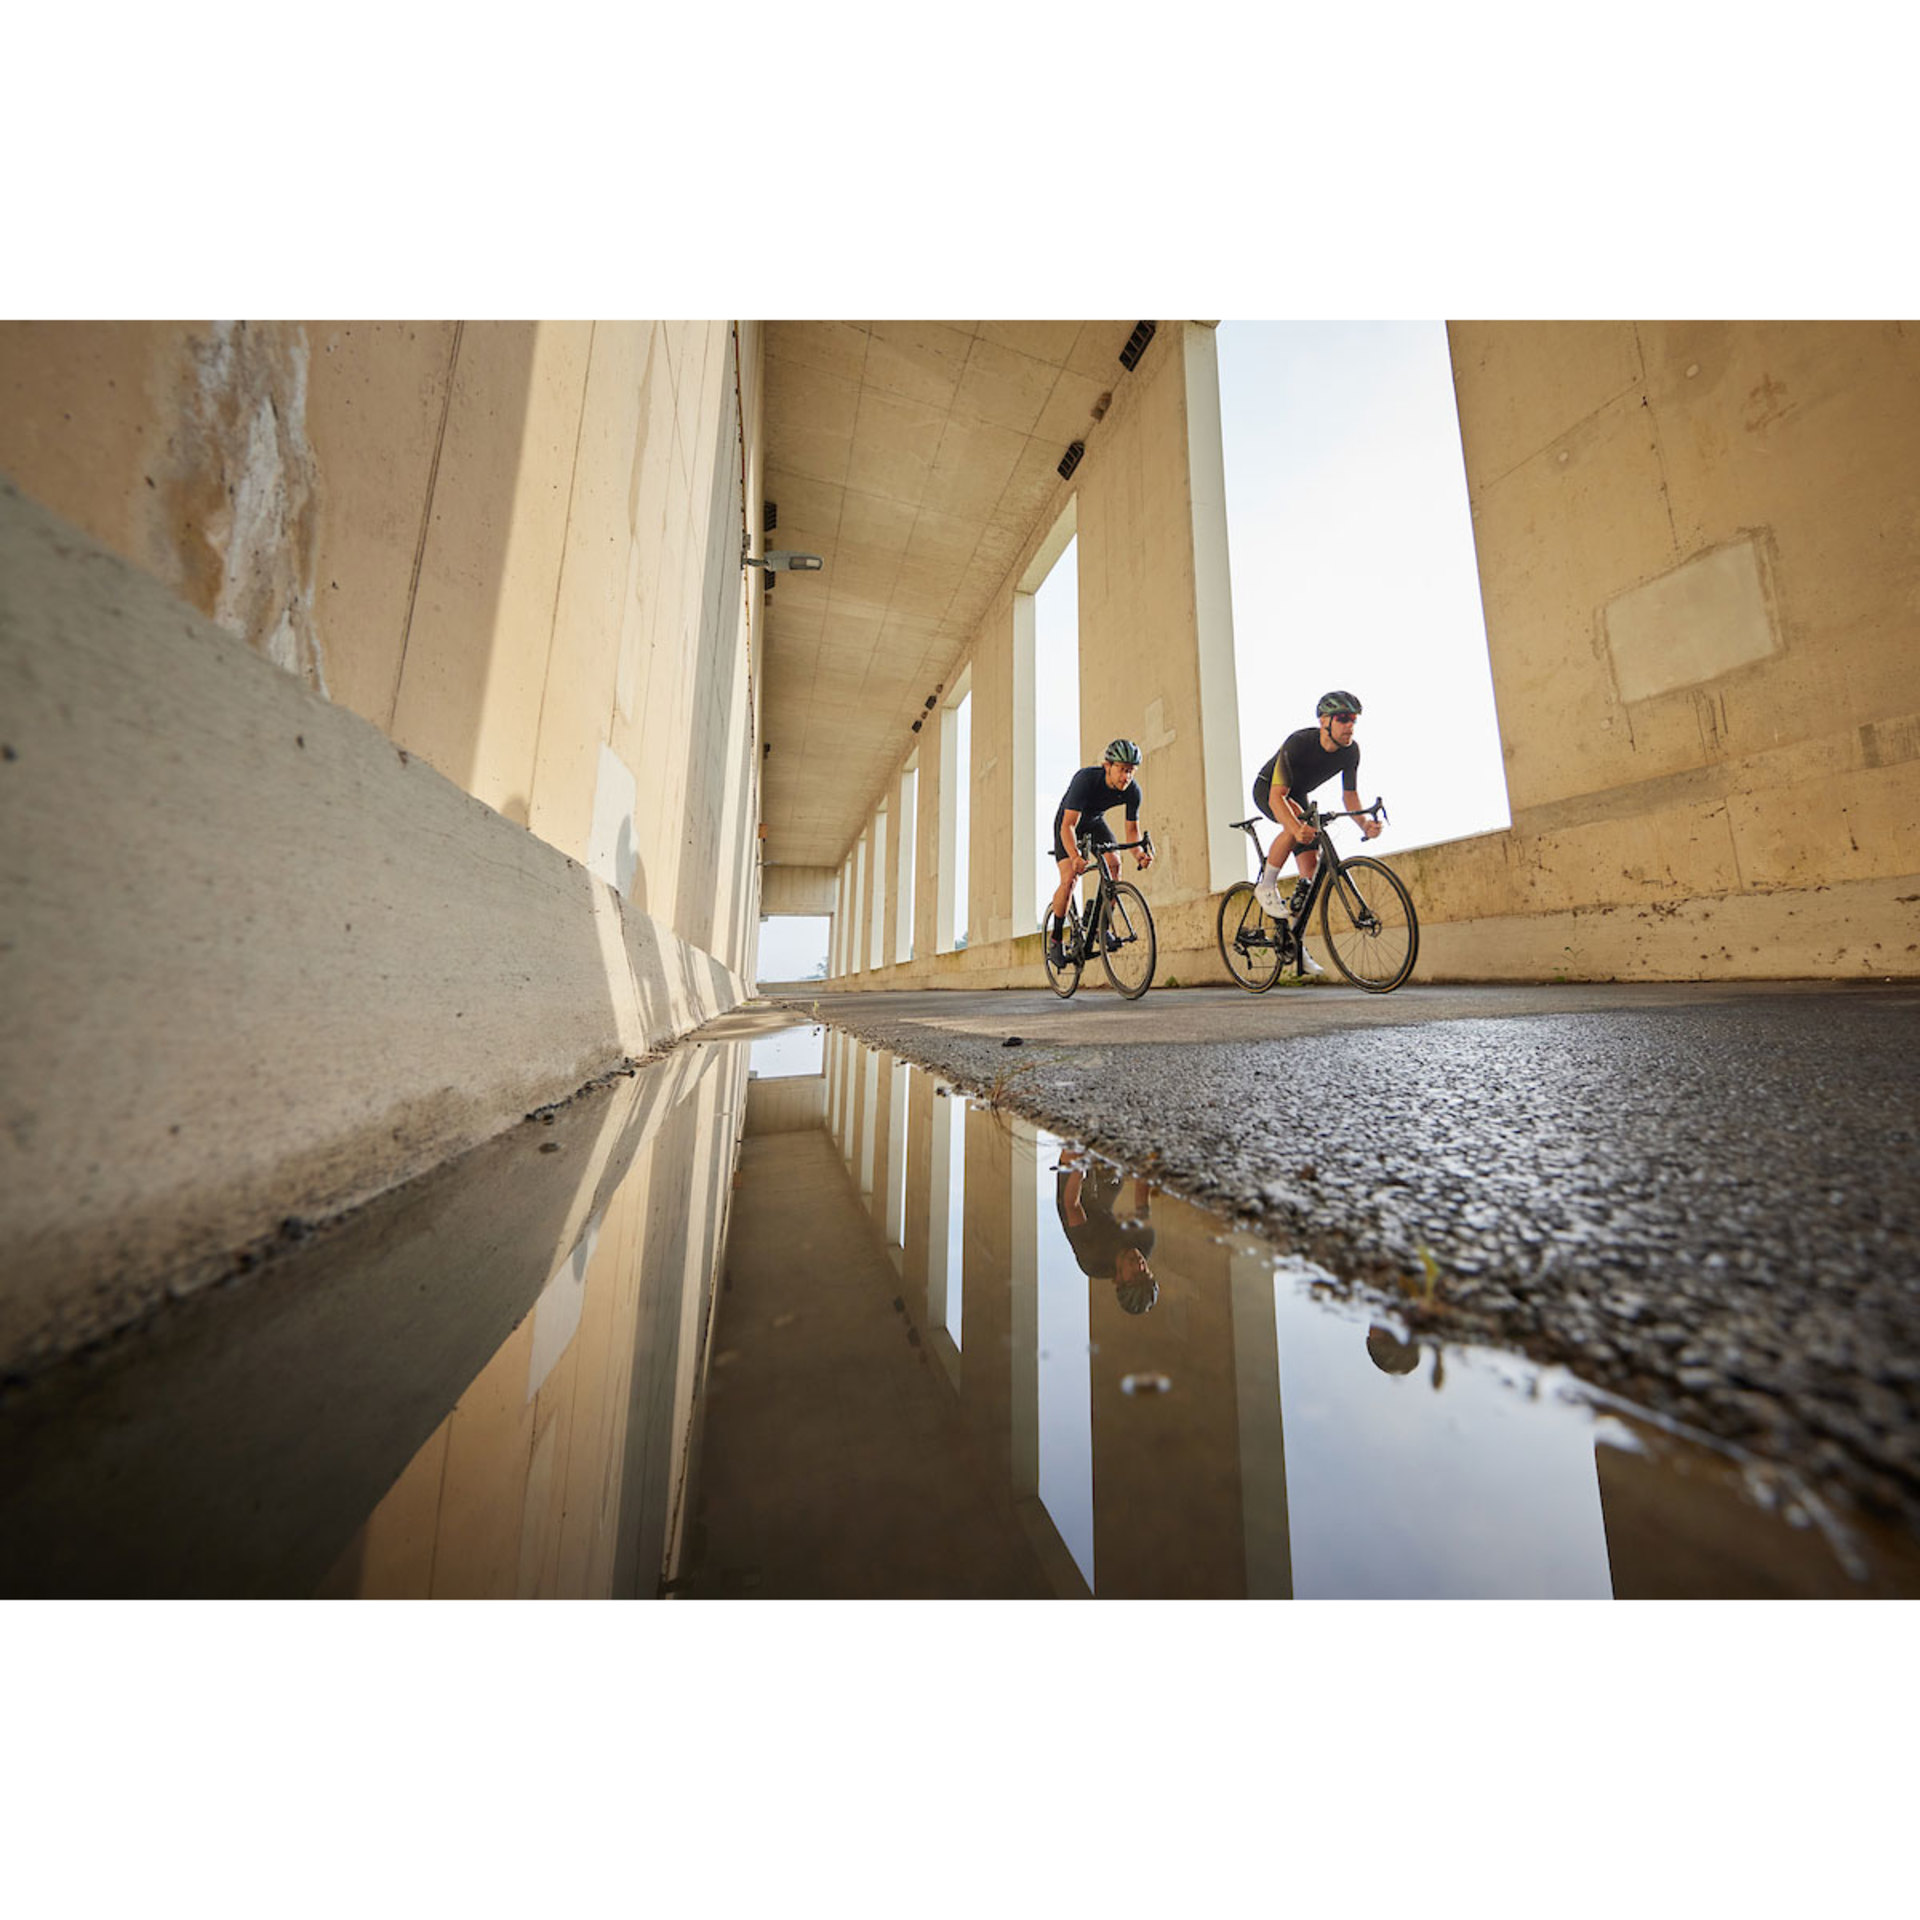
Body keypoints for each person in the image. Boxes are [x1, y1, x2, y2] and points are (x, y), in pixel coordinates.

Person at [1249, 692, 1383, 964]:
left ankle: (1293, 944)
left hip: (1298, 795)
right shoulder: (1299, 743)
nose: (1349, 726)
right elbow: (1276, 798)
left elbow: (1350, 796)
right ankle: (1266, 885)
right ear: (1324, 721)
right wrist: (1296, 828)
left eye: (1353, 720)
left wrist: (1364, 824)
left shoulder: (1351, 751)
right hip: (1269, 789)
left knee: (1309, 875)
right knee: (1296, 823)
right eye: (1343, 719)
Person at [1046, 739, 1154, 970]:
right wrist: (1075, 856)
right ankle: (1055, 940)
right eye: (1122, 769)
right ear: (1107, 766)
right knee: (1069, 879)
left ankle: (1099, 928)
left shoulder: (1133, 791)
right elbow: (1067, 826)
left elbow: (1132, 831)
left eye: (1131, 771)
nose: (1126, 776)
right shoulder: (1086, 780)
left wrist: (1138, 854)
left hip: (1095, 823)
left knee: (1114, 864)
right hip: (1069, 826)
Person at [1055, 1147, 1158, 1315]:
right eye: (1145, 1272)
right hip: (1103, 1204)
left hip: (1073, 1202)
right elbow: (1141, 1196)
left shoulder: (1093, 1260)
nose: (1139, 1265)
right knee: (1115, 1170)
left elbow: (1072, 1205)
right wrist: (1148, 1157)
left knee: (1076, 1150)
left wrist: (1081, 1161)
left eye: (1134, 1274)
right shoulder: (1144, 1243)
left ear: (1118, 1280)